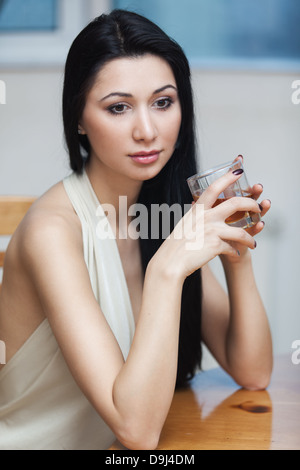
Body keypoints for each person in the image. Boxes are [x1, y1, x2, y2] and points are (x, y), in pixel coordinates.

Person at [0, 9, 272, 450]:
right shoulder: (52, 233)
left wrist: (235, 252)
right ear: (79, 119)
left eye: (163, 102)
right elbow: (139, 432)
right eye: (118, 107)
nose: (147, 130)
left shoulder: (162, 213)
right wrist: (168, 266)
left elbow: (253, 371)